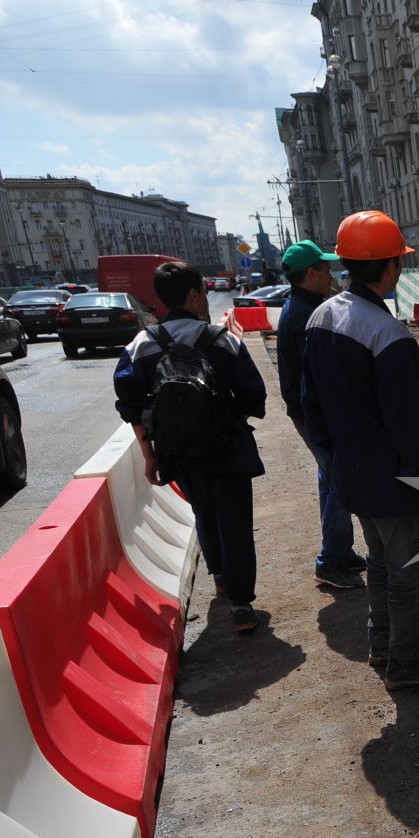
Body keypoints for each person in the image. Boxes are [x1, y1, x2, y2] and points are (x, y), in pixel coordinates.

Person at [300, 210, 419, 691]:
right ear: (392, 267)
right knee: (405, 570)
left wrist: (333, 458)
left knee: (377, 561)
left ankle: (382, 645)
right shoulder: (388, 335)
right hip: (390, 479)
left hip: (350, 472)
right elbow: (409, 425)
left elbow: (311, 404)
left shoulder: (321, 316)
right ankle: (407, 665)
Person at [114, 261, 269, 633]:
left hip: (176, 451)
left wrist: (150, 454)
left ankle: (218, 577)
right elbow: (254, 396)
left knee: (204, 512)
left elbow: (130, 404)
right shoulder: (221, 340)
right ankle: (241, 604)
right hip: (226, 447)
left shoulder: (142, 345)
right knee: (235, 522)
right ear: (195, 294)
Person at [274, 237, 364, 591]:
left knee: (329, 479)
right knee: (339, 483)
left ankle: (340, 551)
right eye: (325, 268)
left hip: (306, 413)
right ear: (311, 273)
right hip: (316, 415)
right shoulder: (307, 314)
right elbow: (320, 375)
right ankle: (331, 560)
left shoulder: (298, 306)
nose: (331, 274)